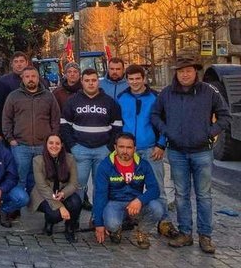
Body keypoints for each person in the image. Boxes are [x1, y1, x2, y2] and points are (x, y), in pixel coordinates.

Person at [151, 56, 232, 254]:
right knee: (181, 195)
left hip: (202, 152)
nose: (184, 74)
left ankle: (205, 235)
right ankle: (185, 233)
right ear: (176, 73)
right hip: (177, 152)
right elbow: (155, 115)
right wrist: (167, 131)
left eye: (188, 71)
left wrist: (210, 132)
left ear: (196, 72)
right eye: (180, 71)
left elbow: (225, 116)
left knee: (204, 195)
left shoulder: (209, 92)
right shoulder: (167, 94)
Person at [117, 64, 179, 239]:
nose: (135, 82)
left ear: (144, 79)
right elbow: (118, 123)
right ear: (126, 80)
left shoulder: (155, 98)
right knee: (127, 184)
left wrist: (161, 144)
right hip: (128, 150)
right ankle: (129, 216)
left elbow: (164, 122)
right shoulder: (122, 98)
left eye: (138, 78)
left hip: (151, 147)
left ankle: (164, 221)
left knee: (158, 185)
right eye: (131, 79)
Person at [60, 68, 122, 208]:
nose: (91, 83)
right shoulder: (72, 101)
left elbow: (117, 126)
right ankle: (75, 217)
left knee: (100, 186)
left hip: (103, 150)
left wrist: (110, 147)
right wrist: (72, 146)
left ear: (98, 82)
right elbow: (64, 125)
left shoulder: (109, 102)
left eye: (94, 80)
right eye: (87, 81)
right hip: (80, 150)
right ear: (82, 82)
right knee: (78, 185)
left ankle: (96, 218)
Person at [92, 133, 164, 249]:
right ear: (115, 147)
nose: (125, 151)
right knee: (112, 223)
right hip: (114, 203)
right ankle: (116, 229)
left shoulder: (143, 165)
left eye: (129, 147)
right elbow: (100, 195)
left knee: (158, 208)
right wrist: (99, 223)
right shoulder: (105, 166)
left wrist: (140, 200)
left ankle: (142, 231)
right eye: (121, 147)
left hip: (136, 203)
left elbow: (155, 189)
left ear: (135, 149)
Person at [2, 66, 60, 192]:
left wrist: (52, 138)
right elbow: (6, 119)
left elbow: (55, 119)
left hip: (42, 145)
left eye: (33, 76)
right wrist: (10, 139)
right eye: (27, 76)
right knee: (19, 178)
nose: (30, 79)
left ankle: (36, 204)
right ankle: (17, 205)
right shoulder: (13, 96)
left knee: (39, 178)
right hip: (20, 146)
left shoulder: (48, 96)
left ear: (38, 78)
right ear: (22, 79)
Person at [30, 134, 81, 242]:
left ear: (62, 145)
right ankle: (49, 222)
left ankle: (70, 228)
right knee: (55, 214)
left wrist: (63, 194)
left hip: (62, 193)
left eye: (57, 143)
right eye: (51, 143)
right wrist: (60, 207)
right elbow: (42, 187)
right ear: (46, 145)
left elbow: (74, 183)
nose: (54, 146)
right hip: (43, 196)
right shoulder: (37, 160)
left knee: (76, 202)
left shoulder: (70, 159)